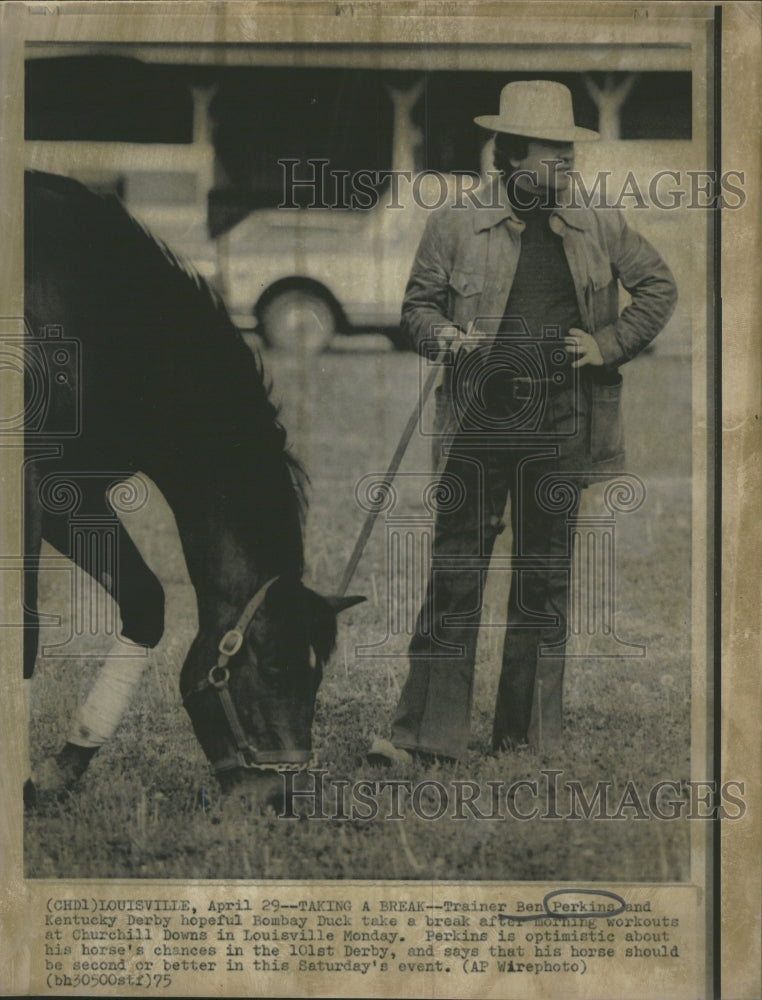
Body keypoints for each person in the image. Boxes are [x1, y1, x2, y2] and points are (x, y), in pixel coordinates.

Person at [368, 79, 677, 765]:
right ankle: (427, 734)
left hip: (563, 421)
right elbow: (416, 308)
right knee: (455, 572)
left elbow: (658, 288)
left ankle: (526, 735)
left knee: (545, 577)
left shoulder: (598, 221)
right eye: (552, 151)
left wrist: (607, 345)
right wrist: (443, 334)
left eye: (570, 150)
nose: (566, 163)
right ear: (509, 155)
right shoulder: (453, 224)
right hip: (477, 423)